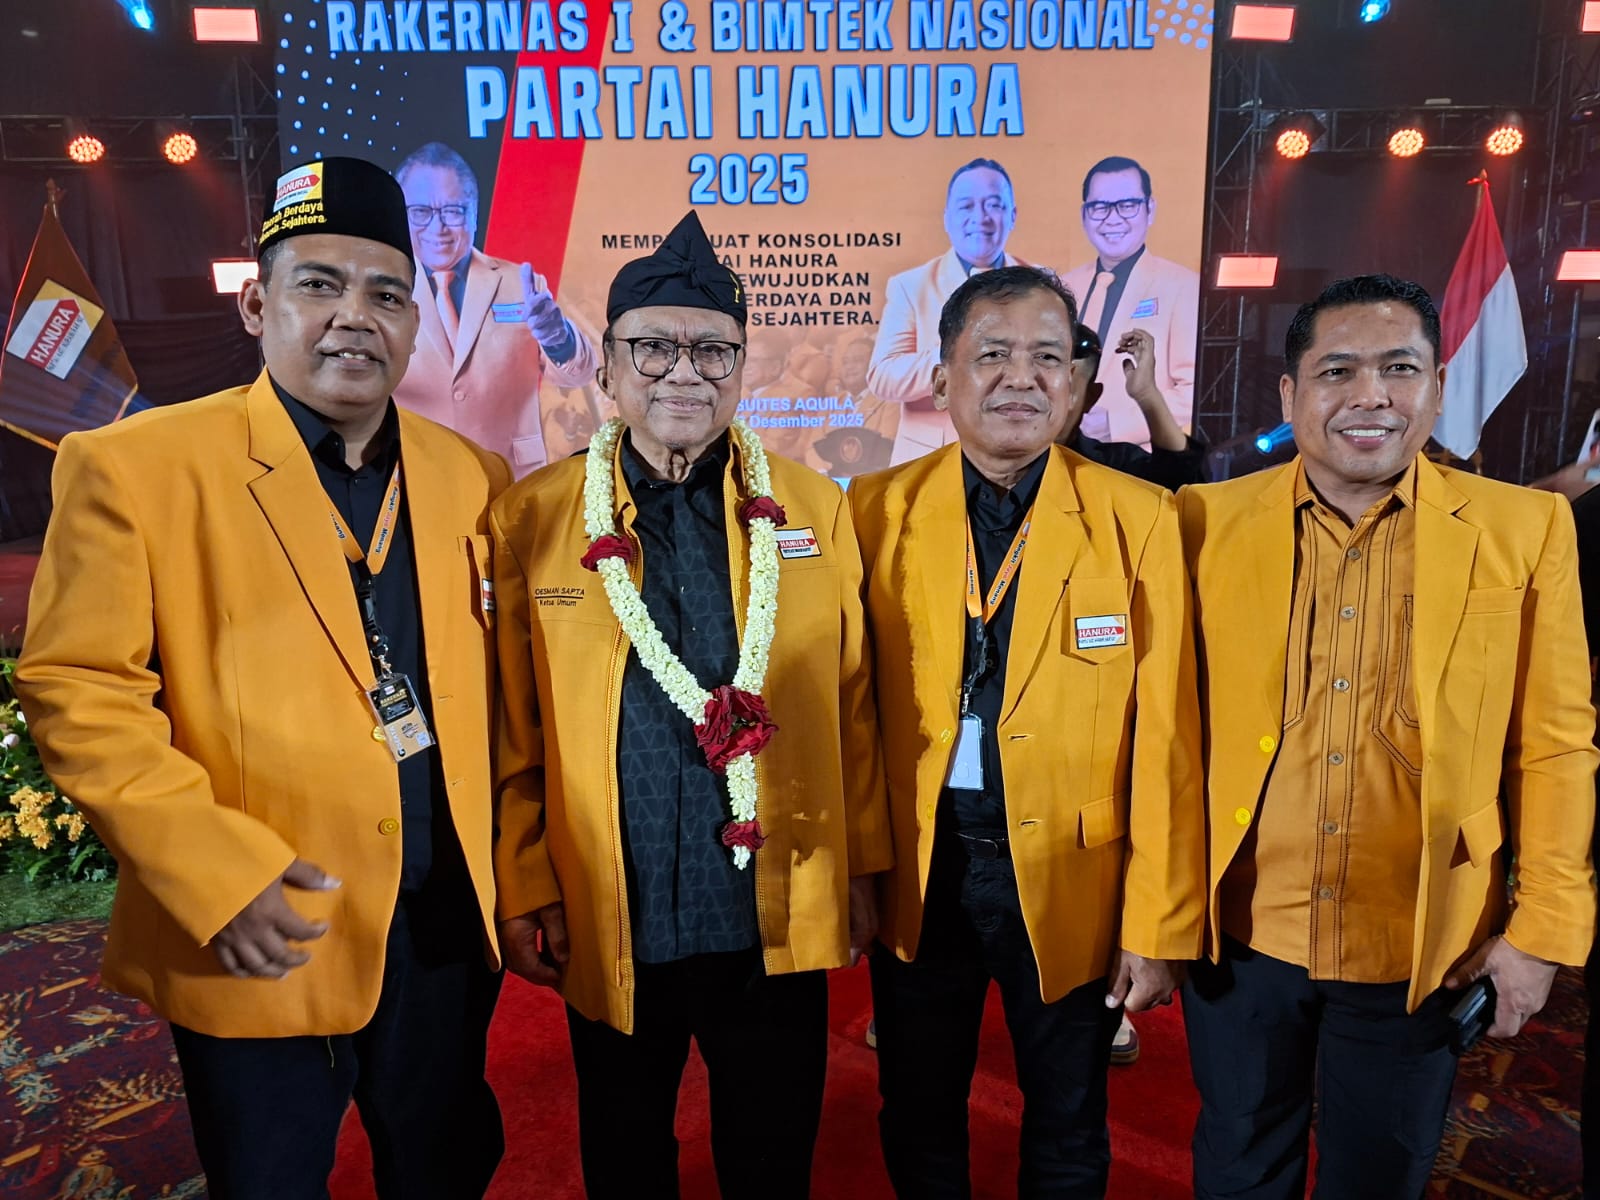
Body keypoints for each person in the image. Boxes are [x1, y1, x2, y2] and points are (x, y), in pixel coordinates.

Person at [14, 157, 510, 1199]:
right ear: (256, 305)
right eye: (318, 284)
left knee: (446, 1163)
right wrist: (216, 875)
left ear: (415, 323)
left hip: (440, 920)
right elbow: (80, 691)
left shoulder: (470, 476)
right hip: (263, 919)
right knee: (270, 1178)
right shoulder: (138, 468)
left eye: (386, 295)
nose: (354, 317)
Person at [491, 211, 892, 1200]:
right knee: (626, 1145)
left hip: (770, 894)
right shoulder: (533, 518)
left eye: (712, 350)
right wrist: (525, 876)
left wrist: (862, 866)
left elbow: (852, 705)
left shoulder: (813, 508)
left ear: (742, 368)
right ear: (607, 368)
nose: (684, 372)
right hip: (615, 895)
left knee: (772, 1147)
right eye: (653, 348)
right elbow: (513, 725)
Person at [1178, 274, 1597, 1200]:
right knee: (1237, 1170)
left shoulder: (1526, 529)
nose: (1371, 395)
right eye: (1338, 371)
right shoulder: (1202, 523)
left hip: (1423, 944)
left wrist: (1543, 933)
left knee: (1380, 1178)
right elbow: (1165, 738)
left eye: (1399, 369)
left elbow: (1556, 747)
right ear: (1289, 394)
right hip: (1244, 935)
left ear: (1437, 388)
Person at [851, 264, 1204, 1197]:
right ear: (942, 380)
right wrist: (852, 871)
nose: (1022, 377)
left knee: (1068, 1119)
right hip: (922, 866)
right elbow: (848, 714)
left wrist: (1158, 921)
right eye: (993, 354)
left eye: (1048, 357)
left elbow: (1170, 739)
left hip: (1072, 871)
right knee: (917, 1106)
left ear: (1079, 383)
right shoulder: (872, 512)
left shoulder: (1141, 518)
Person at [393, 141, 596, 477]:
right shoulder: (381, 290)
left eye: (452, 211)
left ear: (474, 213)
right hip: (418, 475)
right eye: (420, 212)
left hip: (513, 476)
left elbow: (580, 374)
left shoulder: (521, 283)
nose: (437, 227)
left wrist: (558, 338)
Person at [869, 158, 1029, 465]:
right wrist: (955, 352)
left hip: (1020, 456)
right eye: (966, 206)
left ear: (1012, 215)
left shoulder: (1041, 283)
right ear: (947, 218)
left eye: (993, 205)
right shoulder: (910, 286)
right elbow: (883, 377)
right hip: (930, 459)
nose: (980, 218)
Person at [1062, 156, 1198, 448]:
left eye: (1127, 205)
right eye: (1100, 207)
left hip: (1137, 459)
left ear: (1150, 210)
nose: (1113, 219)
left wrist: (1118, 424)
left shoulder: (1183, 286)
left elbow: (1194, 390)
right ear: (1084, 215)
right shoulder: (1064, 286)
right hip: (1062, 453)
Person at [1060, 324, 1207, 494]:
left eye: (1066, 389)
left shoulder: (1112, 466)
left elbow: (1179, 486)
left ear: (1091, 397)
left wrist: (1147, 395)